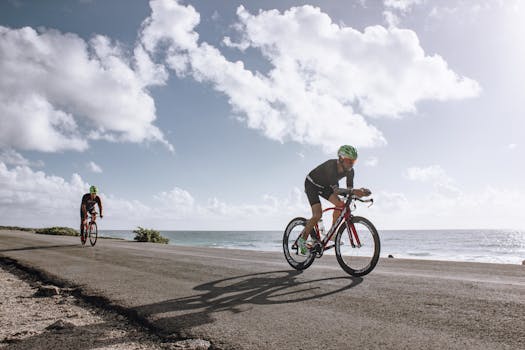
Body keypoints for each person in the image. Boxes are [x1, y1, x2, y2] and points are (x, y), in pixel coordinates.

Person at [298, 145, 369, 254]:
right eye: (349, 160)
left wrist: (360, 193)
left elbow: (349, 190)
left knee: (341, 204)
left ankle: (331, 234)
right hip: (311, 184)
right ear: (341, 159)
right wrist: (355, 191)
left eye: (353, 161)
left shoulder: (350, 171)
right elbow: (337, 191)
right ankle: (302, 241)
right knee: (317, 214)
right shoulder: (331, 166)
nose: (351, 164)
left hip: (325, 186)